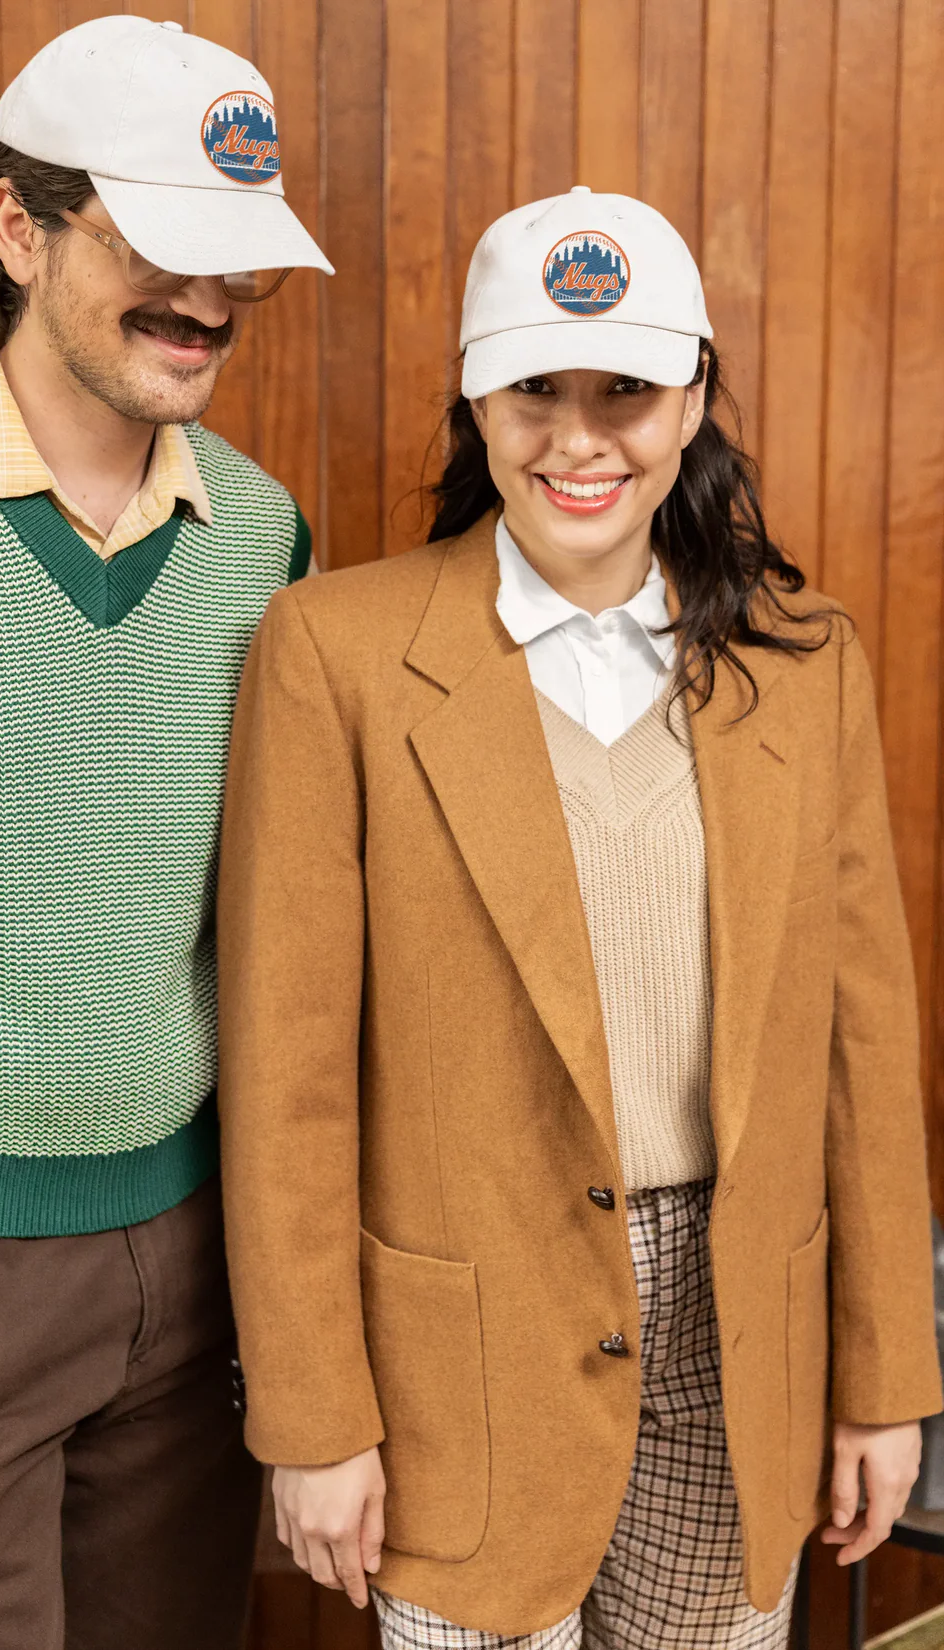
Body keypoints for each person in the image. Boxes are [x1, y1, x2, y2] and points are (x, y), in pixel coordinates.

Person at [216, 186, 944, 1648]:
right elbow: (286, 1072)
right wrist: (310, 1415)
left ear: (694, 402)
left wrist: (884, 1374)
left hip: (743, 1340)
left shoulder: (808, 664)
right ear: (475, 400)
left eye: (626, 391)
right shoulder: (336, 656)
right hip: (457, 1364)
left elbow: (863, 1048)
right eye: (536, 388)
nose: (578, 437)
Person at [0, 16, 331, 1649]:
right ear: (16, 226)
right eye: (159, 244)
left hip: (194, 1279)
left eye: (237, 261)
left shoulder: (264, 535)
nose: (209, 301)